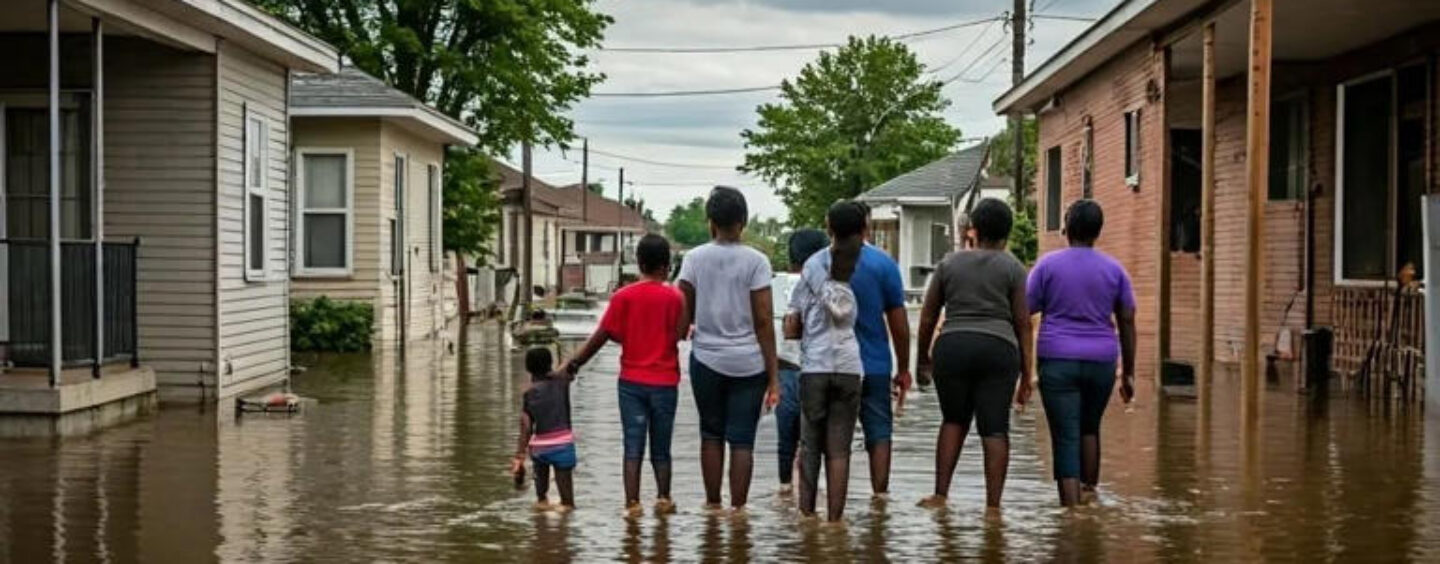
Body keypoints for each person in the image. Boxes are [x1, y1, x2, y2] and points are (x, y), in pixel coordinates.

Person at [914, 198, 1033, 510]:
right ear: (1007, 233)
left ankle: (940, 495)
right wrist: (1027, 374)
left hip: (953, 346)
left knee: (953, 420)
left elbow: (927, 317)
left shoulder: (948, 264)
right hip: (998, 349)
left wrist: (922, 358)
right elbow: (1023, 324)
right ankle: (993, 508)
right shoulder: (1014, 268)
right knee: (995, 427)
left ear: (973, 230)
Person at [1027, 199, 1137, 507]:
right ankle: (1089, 498)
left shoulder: (1046, 266)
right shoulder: (1115, 270)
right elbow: (1127, 320)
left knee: (1065, 435)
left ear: (1066, 227)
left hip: (1057, 361)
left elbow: (1025, 310)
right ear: (1098, 231)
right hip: (1101, 362)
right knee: (1089, 428)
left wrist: (1023, 368)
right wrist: (1128, 373)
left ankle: (1071, 513)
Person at [564, 234, 685, 515]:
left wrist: (573, 364)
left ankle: (632, 504)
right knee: (662, 447)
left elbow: (603, 335)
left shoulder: (623, 296)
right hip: (665, 383)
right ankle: (664, 499)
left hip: (632, 383)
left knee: (632, 445)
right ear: (666, 266)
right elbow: (680, 334)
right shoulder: (675, 297)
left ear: (638, 263)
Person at [676, 186, 780, 510]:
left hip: (706, 359)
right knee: (742, 440)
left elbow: (683, 315)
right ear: (743, 221)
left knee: (711, 434)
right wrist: (774, 376)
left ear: (710, 221)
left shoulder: (693, 259)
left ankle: (712, 506)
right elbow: (764, 321)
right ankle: (738, 511)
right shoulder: (757, 261)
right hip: (750, 363)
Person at [785, 202, 866, 521]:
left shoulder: (812, 266)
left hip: (816, 366)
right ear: (865, 229)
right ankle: (835, 523)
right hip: (849, 366)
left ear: (828, 228)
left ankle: (807, 518)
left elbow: (792, 326)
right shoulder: (872, 263)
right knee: (839, 450)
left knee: (810, 447)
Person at [847, 200, 911, 498]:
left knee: (834, 435)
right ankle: (880, 497)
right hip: (874, 364)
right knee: (880, 431)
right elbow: (899, 323)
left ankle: (830, 504)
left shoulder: (819, 263)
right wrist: (904, 368)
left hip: (832, 365)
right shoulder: (883, 265)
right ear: (867, 227)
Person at [773, 228, 830, 495]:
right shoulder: (832, 284)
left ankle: (785, 490)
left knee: (786, 440)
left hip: (784, 370)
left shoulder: (774, 284)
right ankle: (814, 495)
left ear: (790, 257)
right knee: (816, 440)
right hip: (820, 371)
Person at [512, 347, 578, 510]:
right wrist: (564, 364)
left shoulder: (529, 394)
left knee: (541, 500)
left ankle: (541, 517)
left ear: (528, 368)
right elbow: (572, 366)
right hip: (563, 447)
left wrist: (519, 456)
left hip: (540, 450)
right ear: (550, 363)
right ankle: (563, 521)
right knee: (568, 504)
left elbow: (526, 428)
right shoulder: (562, 383)